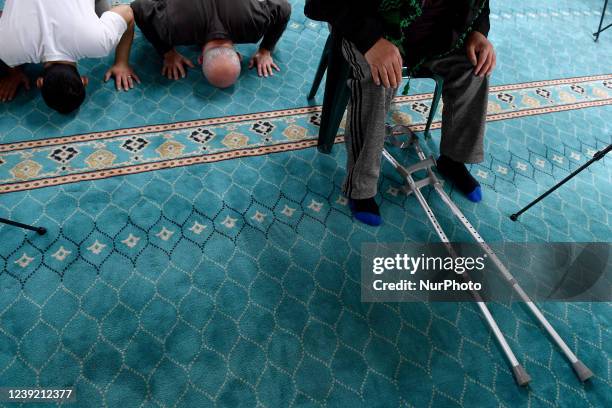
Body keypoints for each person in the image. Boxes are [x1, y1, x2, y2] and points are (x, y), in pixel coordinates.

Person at [305, 0, 495, 226]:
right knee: (377, 81)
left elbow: (480, 4)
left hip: (436, 34)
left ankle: (453, 159)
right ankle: (361, 187)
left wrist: (478, 31)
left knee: (474, 69)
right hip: (366, 25)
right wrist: (371, 41)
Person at [0, 0, 139, 113]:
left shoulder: (99, 42)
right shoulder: (6, 50)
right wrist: (13, 69)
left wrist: (122, 63)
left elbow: (127, 12)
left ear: (84, 80)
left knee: (107, 16)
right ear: (39, 82)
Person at [130, 0, 291, 88]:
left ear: (238, 55)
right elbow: (136, 8)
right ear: (199, 59)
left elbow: (284, 7)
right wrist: (167, 51)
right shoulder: (174, 31)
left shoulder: (254, 26)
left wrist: (265, 49)